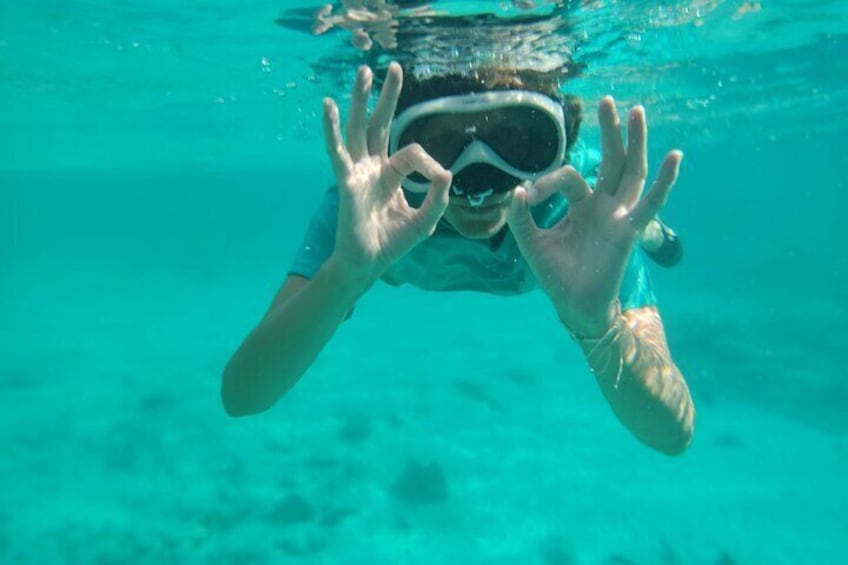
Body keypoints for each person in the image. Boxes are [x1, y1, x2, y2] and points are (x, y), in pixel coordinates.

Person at [221, 59, 695, 456]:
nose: (481, 183)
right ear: (393, 148)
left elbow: (673, 432)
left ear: (562, 141)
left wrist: (600, 328)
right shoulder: (368, 210)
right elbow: (243, 394)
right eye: (440, 146)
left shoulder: (586, 212)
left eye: (519, 142)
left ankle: (655, 234)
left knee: (635, 224)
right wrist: (343, 276)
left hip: (571, 216)